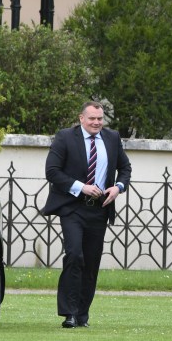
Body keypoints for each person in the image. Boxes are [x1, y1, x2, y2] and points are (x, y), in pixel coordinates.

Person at [41, 101, 132, 328]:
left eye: (100, 119)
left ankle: (82, 315)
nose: (96, 123)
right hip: (72, 207)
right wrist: (81, 187)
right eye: (92, 118)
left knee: (91, 262)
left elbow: (125, 168)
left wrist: (118, 187)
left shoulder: (112, 138)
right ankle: (69, 313)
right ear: (82, 118)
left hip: (99, 209)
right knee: (74, 255)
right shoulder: (64, 137)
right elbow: (52, 171)